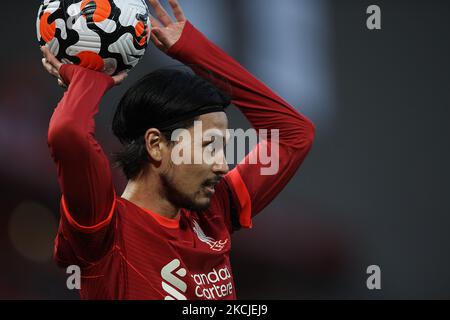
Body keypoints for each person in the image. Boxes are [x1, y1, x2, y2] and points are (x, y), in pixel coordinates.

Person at [42, 0, 315, 300]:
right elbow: (69, 132)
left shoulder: (214, 212)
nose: (223, 166)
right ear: (157, 145)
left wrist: (195, 52)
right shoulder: (104, 232)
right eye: (210, 147)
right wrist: (88, 77)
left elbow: (294, 134)